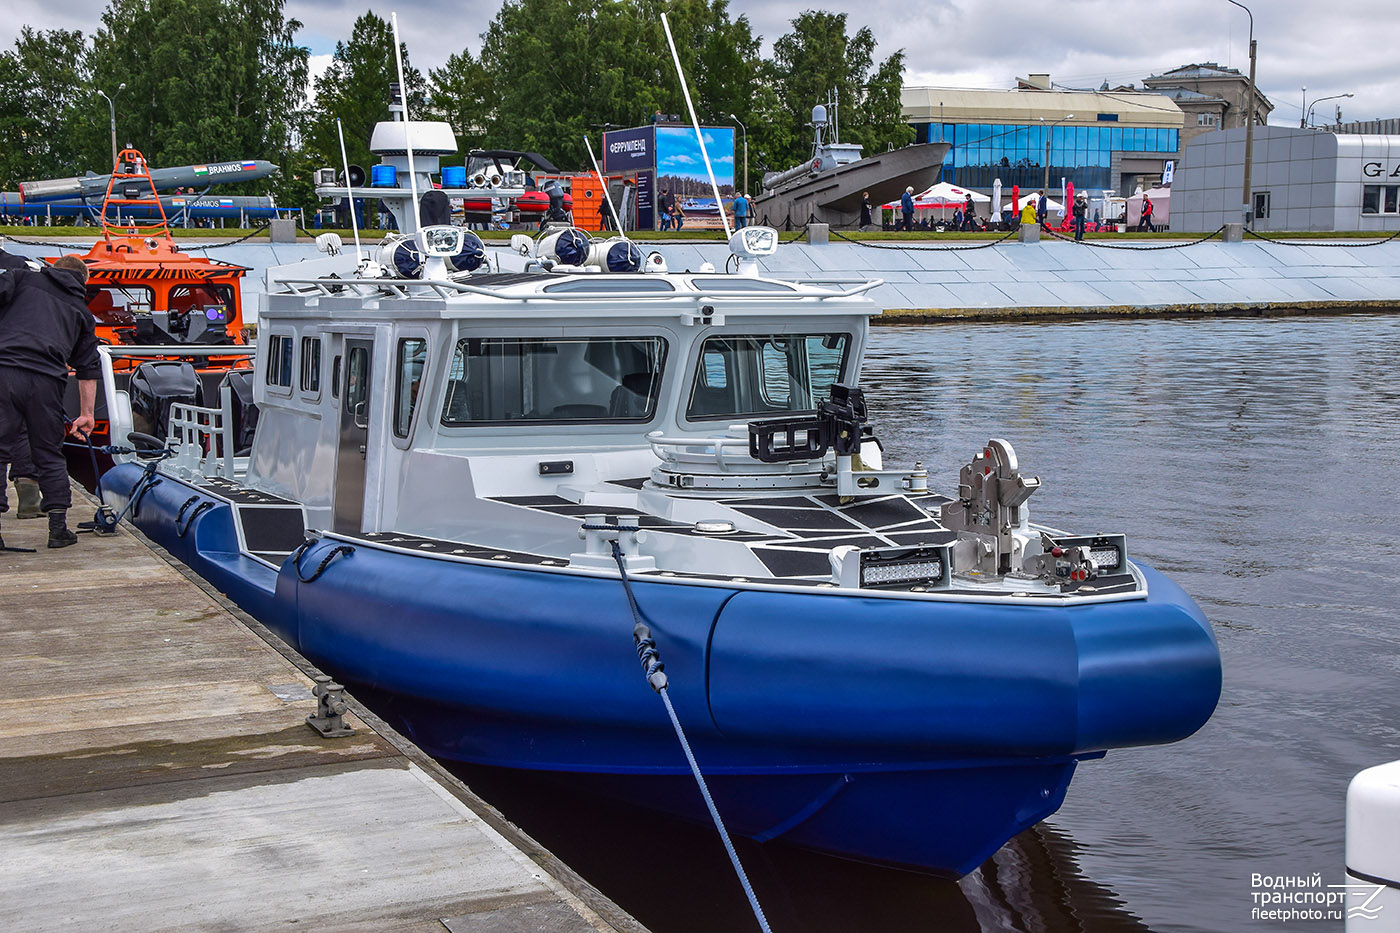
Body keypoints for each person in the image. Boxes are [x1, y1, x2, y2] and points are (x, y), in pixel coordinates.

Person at [0, 254, 99, 550]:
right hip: (47, 382)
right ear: (83, 282)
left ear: (54, 269)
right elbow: (88, 367)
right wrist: (86, 414)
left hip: (5, 370)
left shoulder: (22, 278)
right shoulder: (81, 311)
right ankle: (58, 529)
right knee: (49, 453)